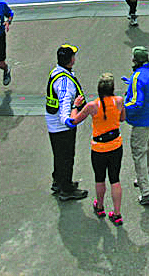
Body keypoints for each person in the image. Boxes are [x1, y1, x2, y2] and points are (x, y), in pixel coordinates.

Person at [71, 73, 126, 225]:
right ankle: (117, 213)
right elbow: (122, 119)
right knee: (115, 179)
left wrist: (75, 106)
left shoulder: (92, 106)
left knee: (99, 178)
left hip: (99, 148)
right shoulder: (119, 101)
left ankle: (100, 206)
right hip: (115, 145)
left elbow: (73, 120)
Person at [46, 43, 88, 201]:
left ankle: (58, 181)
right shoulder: (65, 83)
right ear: (71, 60)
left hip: (53, 123)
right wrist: (71, 116)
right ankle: (66, 189)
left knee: (59, 155)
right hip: (61, 127)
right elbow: (65, 106)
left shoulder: (56, 72)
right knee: (66, 156)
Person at [124, 46, 149, 207]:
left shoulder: (137, 77)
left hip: (140, 120)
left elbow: (136, 103)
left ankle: (146, 192)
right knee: (146, 146)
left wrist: (123, 107)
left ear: (135, 60)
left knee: (138, 153)